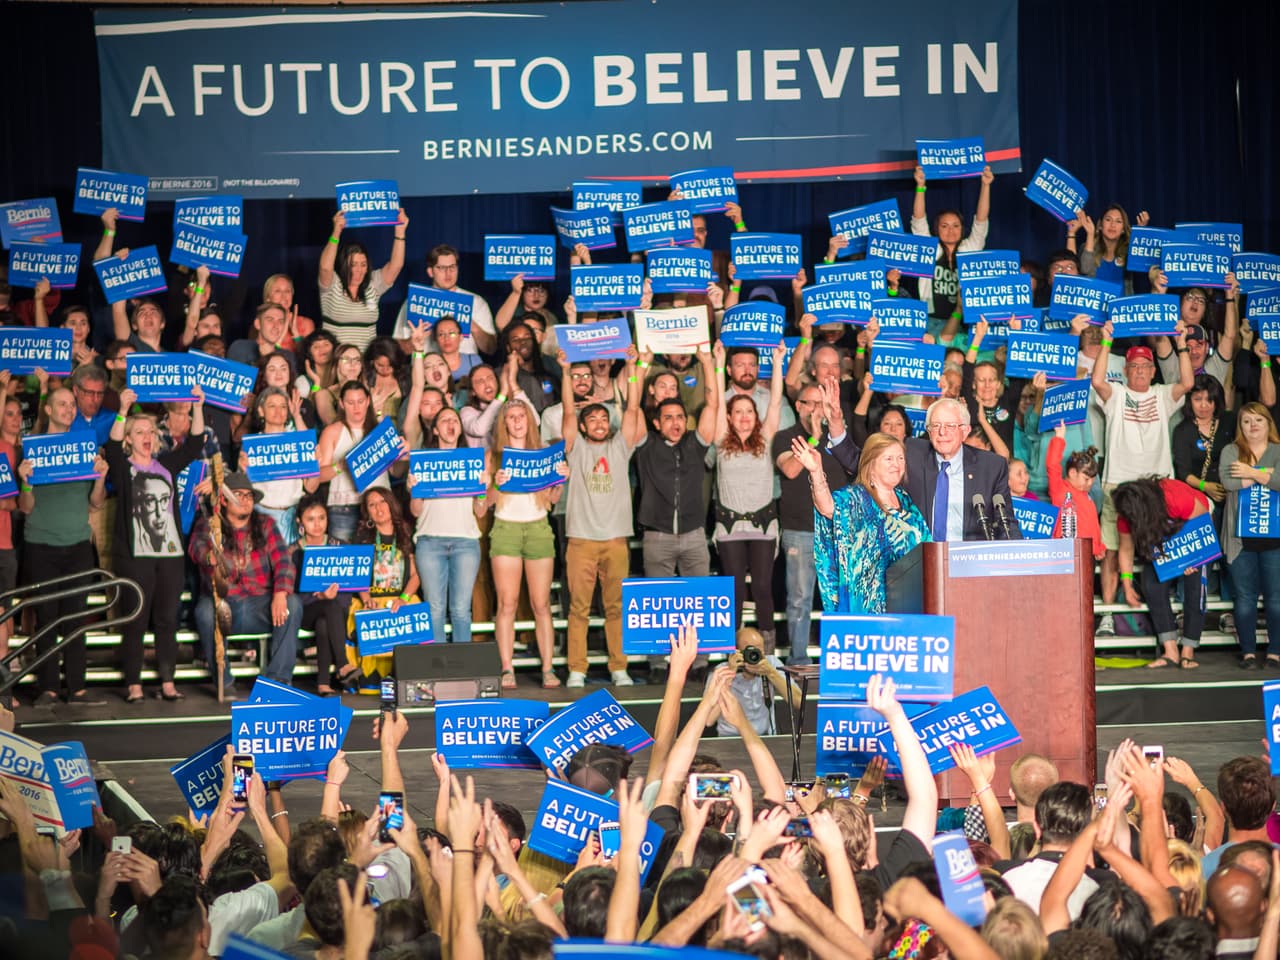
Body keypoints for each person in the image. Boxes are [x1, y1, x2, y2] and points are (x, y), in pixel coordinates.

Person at [105, 386, 207, 703]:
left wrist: (197, 406)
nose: (146, 436)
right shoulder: (124, 468)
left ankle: (167, 681)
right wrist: (123, 409)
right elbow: (109, 446)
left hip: (171, 555)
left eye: (150, 430)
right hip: (135, 556)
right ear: (129, 439)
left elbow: (194, 444)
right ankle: (133, 683)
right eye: (139, 432)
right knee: (135, 619)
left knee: (167, 619)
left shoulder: (166, 465)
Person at [1092, 326, 1195, 636]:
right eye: (1133, 366)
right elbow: (1097, 380)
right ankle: (1108, 615)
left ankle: (1168, 614)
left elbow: (1188, 382)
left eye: (1144, 366)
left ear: (1153, 371)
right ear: (1125, 371)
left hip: (1157, 487)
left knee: (1165, 546)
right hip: (1117, 485)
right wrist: (1107, 340)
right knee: (1111, 549)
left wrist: (1181, 346)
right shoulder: (1117, 394)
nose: (1139, 371)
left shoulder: (1163, 395)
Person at [557, 346, 646, 689]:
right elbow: (567, 409)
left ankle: (618, 668)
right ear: (583, 425)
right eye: (591, 419)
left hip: (616, 540)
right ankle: (576, 669)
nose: (599, 423)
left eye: (603, 419)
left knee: (616, 608)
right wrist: (566, 372)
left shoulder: (620, 447)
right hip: (581, 539)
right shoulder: (575, 446)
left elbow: (634, 407)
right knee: (578, 609)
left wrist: (635, 368)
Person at [15, 387, 110, 706]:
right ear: (48, 409)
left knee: (75, 618)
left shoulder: (86, 449)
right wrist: (25, 480)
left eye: (72, 404)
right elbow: (25, 507)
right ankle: (48, 689)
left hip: (78, 545)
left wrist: (100, 478)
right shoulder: (32, 451)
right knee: (46, 619)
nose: (69, 409)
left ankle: (78, 688)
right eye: (63, 404)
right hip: (41, 544)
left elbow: (96, 505)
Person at [189, 471, 302, 692]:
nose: (245, 500)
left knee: (293, 604)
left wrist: (280, 593)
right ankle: (225, 681)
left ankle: (278, 681)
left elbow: (284, 561)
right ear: (223, 499)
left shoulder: (265, 523)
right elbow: (196, 548)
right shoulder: (210, 524)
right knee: (203, 611)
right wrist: (209, 556)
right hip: (225, 605)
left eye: (249, 496)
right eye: (238, 495)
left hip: (260, 604)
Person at [799, 430, 930, 614]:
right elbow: (827, 508)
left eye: (900, 458)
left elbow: (926, 546)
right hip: (867, 607)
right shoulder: (856, 498)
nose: (897, 464)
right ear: (871, 462)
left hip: (907, 603)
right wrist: (816, 471)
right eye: (889, 459)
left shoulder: (905, 499)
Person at [484, 398, 565, 688]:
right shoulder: (493, 456)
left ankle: (548, 668)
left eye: (522, 416)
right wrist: (495, 483)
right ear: (504, 423)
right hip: (506, 528)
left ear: (530, 421)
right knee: (507, 603)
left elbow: (552, 501)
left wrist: (559, 483)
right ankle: (507, 669)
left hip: (538, 527)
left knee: (541, 603)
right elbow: (483, 505)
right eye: (512, 416)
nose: (517, 421)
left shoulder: (544, 453)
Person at [712, 341, 788, 649]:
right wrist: (719, 364)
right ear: (729, 416)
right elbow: (717, 401)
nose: (744, 416)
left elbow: (775, 401)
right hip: (729, 527)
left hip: (763, 525)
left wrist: (779, 362)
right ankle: (734, 650)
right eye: (738, 412)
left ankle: (767, 652)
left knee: (762, 588)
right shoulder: (720, 440)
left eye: (748, 411)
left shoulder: (766, 438)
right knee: (735, 593)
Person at [774, 380, 852, 663]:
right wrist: (814, 436)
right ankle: (798, 660)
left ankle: (842, 659)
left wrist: (828, 430)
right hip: (800, 531)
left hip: (837, 529)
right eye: (811, 403)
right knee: (799, 599)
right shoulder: (786, 437)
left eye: (822, 404)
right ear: (798, 406)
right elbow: (792, 469)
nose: (817, 409)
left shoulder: (839, 438)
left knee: (841, 597)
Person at [882, 397, 1022, 541]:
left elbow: (1006, 524)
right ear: (929, 431)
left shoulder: (991, 467)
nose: (942, 432)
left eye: (950, 426)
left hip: (970, 557)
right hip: (921, 557)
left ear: (965, 431)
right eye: (936, 426)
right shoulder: (910, 454)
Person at [1112, 476, 1211, 670]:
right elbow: (1126, 549)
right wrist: (1127, 584)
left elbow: (1201, 520)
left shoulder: (1174, 497)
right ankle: (1171, 652)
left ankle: (1188, 651)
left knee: (1195, 587)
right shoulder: (1126, 515)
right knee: (1152, 587)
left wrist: (1192, 558)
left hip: (1195, 521)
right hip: (1159, 535)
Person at [410, 405, 486, 646]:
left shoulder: (472, 463)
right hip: (430, 541)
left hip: (465, 541)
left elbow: (480, 511)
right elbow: (415, 511)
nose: (451, 424)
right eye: (445, 420)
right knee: (434, 609)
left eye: (455, 420)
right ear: (435, 429)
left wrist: (483, 490)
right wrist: (414, 491)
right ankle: (438, 668)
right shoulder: (423, 462)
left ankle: (462, 669)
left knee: (462, 609)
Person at [1219, 403, 1280, 668]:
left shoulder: (1278, 451)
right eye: (1246, 421)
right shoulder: (1231, 450)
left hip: (1275, 540)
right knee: (1244, 600)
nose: (1253, 426)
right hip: (1239, 540)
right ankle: (1248, 652)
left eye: (1258, 420)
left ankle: (1275, 653)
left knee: (1276, 599)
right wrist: (1267, 476)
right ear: (1240, 426)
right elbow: (1229, 482)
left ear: (1268, 424)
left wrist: (1251, 472)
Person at [910, 163, 993, 342]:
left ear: (962, 229)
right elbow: (918, 220)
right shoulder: (930, 250)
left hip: (963, 323)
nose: (950, 230)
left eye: (956, 226)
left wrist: (985, 185)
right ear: (936, 229)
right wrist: (920, 186)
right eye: (944, 226)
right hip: (931, 322)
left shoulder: (968, 250)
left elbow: (981, 221)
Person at [348, 487, 421, 690]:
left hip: (401, 598)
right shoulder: (362, 537)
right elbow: (358, 576)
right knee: (366, 613)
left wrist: (404, 598)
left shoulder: (406, 533)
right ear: (367, 512)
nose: (379, 508)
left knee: (408, 613)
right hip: (370, 598)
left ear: (391, 504)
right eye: (372, 505)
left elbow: (416, 575)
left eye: (382, 502)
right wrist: (366, 597)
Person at [317, 207, 408, 350]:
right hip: (336, 364)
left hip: (365, 364)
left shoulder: (373, 285)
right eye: (353, 264)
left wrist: (400, 231)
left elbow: (396, 265)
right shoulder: (332, 284)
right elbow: (325, 267)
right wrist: (336, 232)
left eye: (363, 265)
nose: (359, 270)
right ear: (344, 265)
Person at [292, 496, 356, 695]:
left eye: (322, 518)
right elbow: (291, 595)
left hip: (335, 612)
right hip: (305, 612)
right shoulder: (293, 552)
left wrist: (332, 597)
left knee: (326, 618)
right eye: (311, 519)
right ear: (299, 522)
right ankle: (343, 665)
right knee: (327, 609)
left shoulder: (341, 547)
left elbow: (349, 589)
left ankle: (323, 684)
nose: (317, 524)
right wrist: (319, 597)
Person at [315, 380, 391, 543]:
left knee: (381, 560)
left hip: (380, 505)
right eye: (350, 402)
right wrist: (341, 465)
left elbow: (396, 471)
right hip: (345, 507)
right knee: (344, 559)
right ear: (341, 404)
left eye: (360, 401)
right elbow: (318, 475)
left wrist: (404, 453)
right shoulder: (333, 431)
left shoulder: (380, 430)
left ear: (368, 402)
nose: (356, 407)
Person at [1046, 424, 1104, 557]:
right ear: (1072, 473)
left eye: (1093, 480)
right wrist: (1059, 438)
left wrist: (1099, 546)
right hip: (1066, 553)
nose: (1090, 483)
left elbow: (1093, 526)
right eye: (1086, 478)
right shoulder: (1060, 491)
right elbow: (1052, 465)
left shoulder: (1087, 498)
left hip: (1088, 554)